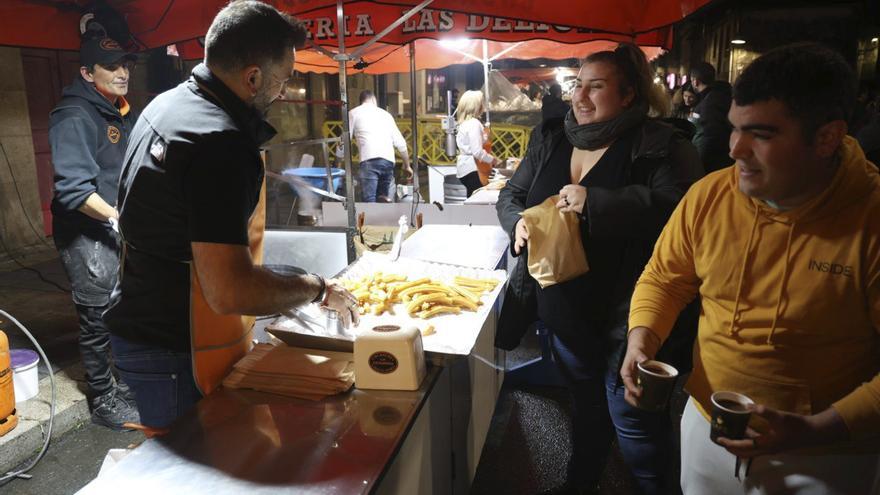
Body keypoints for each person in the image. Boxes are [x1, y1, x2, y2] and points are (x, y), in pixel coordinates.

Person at [623, 42, 880, 494]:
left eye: (760, 134)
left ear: (826, 138)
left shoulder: (870, 218)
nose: (736, 149)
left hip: (826, 455)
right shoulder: (710, 195)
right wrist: (642, 337)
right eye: (734, 129)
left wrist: (816, 429)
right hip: (706, 426)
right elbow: (665, 278)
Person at [105, 0, 360, 429]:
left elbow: (184, 234)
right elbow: (228, 290)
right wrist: (316, 288)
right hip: (178, 345)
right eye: (282, 80)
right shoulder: (219, 142)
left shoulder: (166, 105)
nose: (282, 93)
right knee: (198, 471)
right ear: (253, 76)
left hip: (142, 319)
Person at [496, 44, 703, 494]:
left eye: (597, 86)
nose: (580, 97)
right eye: (577, 85)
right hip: (563, 313)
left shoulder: (662, 146)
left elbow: (679, 212)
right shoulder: (552, 136)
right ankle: (580, 483)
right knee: (586, 408)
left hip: (630, 318)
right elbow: (512, 194)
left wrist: (598, 202)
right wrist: (516, 226)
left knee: (633, 423)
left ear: (628, 95)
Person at [49, 36, 140, 430]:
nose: (123, 72)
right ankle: (103, 398)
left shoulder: (117, 111)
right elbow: (74, 189)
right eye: (111, 66)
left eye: (125, 64)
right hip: (85, 231)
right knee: (97, 313)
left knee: (121, 306)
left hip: (114, 225)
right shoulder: (74, 114)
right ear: (88, 73)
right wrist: (120, 219)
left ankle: (119, 383)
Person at [348, 90, 412, 202]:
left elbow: (344, 140)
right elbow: (401, 143)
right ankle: (382, 218)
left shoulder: (353, 113)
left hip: (369, 161)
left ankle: (370, 219)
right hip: (388, 162)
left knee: (370, 200)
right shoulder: (386, 115)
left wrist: (337, 161)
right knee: (382, 200)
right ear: (374, 100)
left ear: (361, 101)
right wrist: (407, 165)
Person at [455, 90, 501, 197]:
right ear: (476, 106)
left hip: (464, 168)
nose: (483, 105)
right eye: (482, 103)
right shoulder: (474, 124)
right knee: (477, 200)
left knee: (472, 199)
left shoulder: (465, 123)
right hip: (473, 169)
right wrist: (493, 160)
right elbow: (477, 152)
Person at [690, 62, 734, 172]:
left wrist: (697, 164)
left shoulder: (710, 103)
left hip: (711, 165)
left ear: (695, 81)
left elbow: (708, 136)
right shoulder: (722, 96)